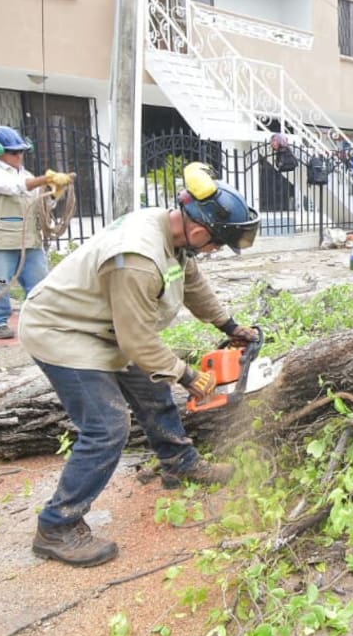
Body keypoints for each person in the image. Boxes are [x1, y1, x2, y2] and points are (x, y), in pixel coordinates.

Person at [19, 163, 262, 568]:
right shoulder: (138, 257)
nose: (214, 251)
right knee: (106, 426)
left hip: (106, 328)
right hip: (63, 331)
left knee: (153, 391)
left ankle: (180, 464)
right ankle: (57, 526)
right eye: (217, 244)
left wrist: (230, 325)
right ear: (201, 232)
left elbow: (192, 284)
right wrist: (187, 375)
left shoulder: (175, 233)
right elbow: (136, 340)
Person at [0, 126, 74, 340]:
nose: (19, 155)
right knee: (0, 284)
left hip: (30, 239)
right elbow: (15, 187)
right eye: (14, 152)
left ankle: (44, 321)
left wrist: (54, 193)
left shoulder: (27, 174)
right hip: (1, 240)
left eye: (21, 151)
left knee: (40, 284)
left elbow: (40, 201)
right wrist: (46, 179)